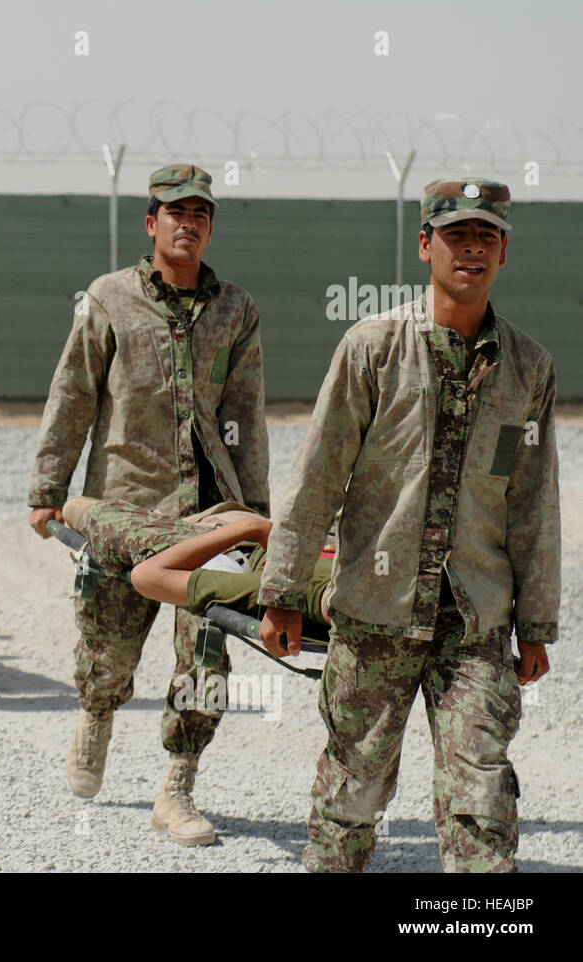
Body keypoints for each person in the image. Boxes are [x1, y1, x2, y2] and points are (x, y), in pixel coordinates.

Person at [257, 179, 558, 873]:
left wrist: (535, 623)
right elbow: (317, 477)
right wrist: (283, 591)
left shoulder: (528, 367)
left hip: (474, 616)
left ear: (504, 252)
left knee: (481, 799)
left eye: (486, 236)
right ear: (426, 245)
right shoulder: (374, 347)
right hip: (376, 611)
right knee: (352, 793)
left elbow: (533, 500)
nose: (472, 248)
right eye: (457, 235)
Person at [28, 164, 270, 846]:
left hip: (208, 513)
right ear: (151, 223)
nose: (187, 222)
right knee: (107, 643)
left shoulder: (237, 310)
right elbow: (72, 394)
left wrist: (257, 516)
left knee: (208, 653)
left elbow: (247, 417)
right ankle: (97, 714)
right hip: (126, 505)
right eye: (175, 212)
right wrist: (49, 491)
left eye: (200, 213)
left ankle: (178, 784)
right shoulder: (108, 299)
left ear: (210, 225)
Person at [62, 497, 333, 629]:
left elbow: (149, 575)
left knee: (98, 519)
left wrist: (252, 528)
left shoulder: (294, 594)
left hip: (234, 546)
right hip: (305, 538)